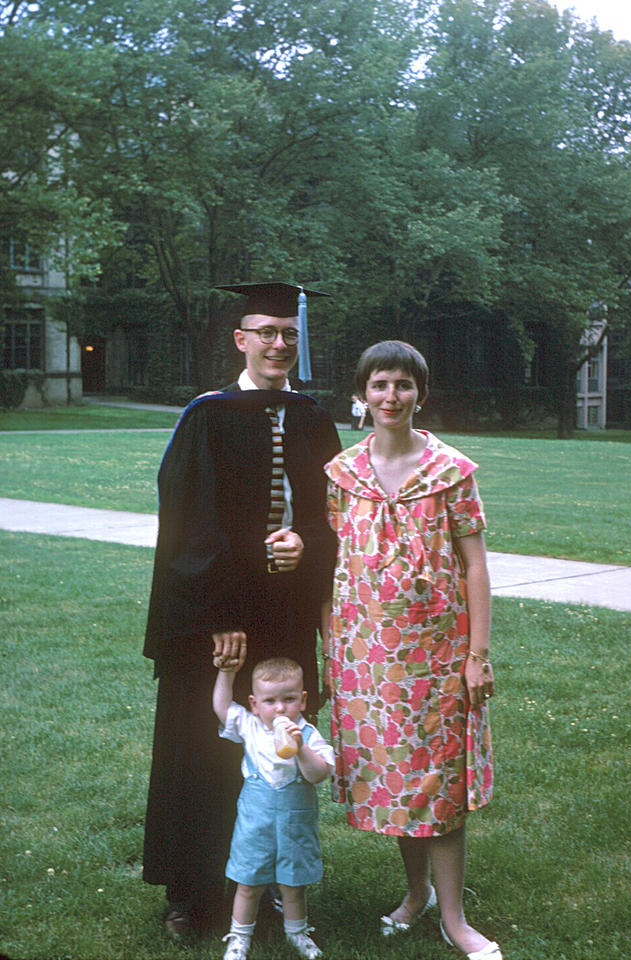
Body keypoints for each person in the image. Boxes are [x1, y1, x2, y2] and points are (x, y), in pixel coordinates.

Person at [142, 281, 341, 939]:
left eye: (287, 333)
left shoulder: (312, 416)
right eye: (265, 332)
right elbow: (189, 523)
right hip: (215, 614)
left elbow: (336, 514)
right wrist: (218, 614)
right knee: (202, 744)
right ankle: (191, 890)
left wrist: (306, 543)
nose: (278, 344)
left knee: (279, 750)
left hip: (284, 610)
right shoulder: (208, 414)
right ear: (241, 339)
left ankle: (278, 884)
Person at [322, 341, 503, 960]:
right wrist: (332, 647)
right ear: (362, 394)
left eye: (402, 385)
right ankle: (416, 893)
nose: (390, 397)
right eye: (379, 385)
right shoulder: (342, 474)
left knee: (442, 782)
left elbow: (475, 568)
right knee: (400, 779)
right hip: (369, 657)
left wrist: (478, 655)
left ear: (419, 393)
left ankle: (455, 918)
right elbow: (335, 563)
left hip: (440, 653)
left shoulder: (451, 471)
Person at [212, 649, 334, 960]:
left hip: (295, 823)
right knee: (248, 880)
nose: (280, 707)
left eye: (289, 699)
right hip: (256, 820)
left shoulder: (308, 734)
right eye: (270, 701)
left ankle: (297, 933)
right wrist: (227, 673)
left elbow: (318, 774)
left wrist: (301, 748)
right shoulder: (250, 726)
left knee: (293, 884)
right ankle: (239, 938)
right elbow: (222, 707)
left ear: (303, 701)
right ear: (255, 704)